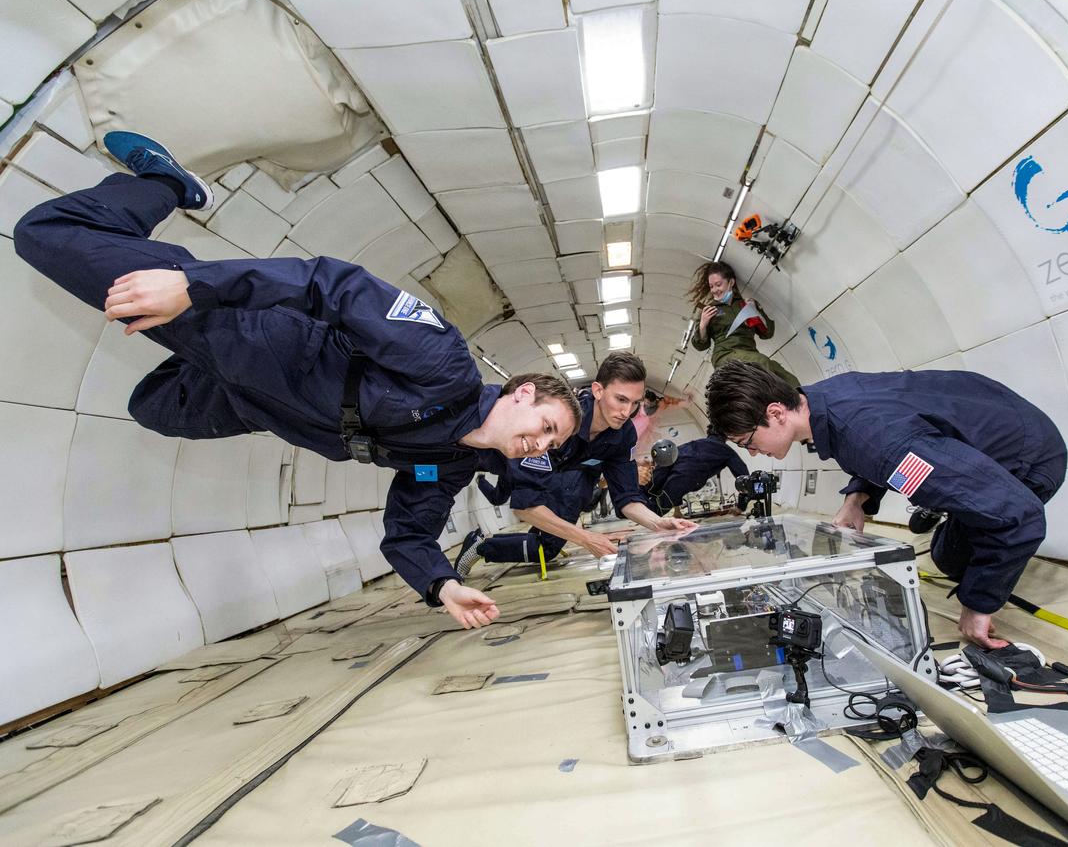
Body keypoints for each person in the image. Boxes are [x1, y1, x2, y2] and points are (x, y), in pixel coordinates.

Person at [13, 131, 582, 630]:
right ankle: (166, 185)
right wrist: (193, 285)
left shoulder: (446, 464)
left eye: (551, 444)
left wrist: (443, 586)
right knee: (44, 232)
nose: (541, 443)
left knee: (154, 407)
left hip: (253, 402)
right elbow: (332, 284)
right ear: (523, 392)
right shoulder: (442, 363)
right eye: (546, 426)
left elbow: (408, 533)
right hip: (248, 334)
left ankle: (155, 265)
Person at [705, 361, 1067, 650]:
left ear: (776, 412)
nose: (753, 452)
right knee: (946, 555)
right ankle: (952, 496)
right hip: (988, 412)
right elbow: (878, 433)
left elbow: (1021, 517)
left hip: (1027, 457)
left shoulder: (878, 443)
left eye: (748, 441)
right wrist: (857, 498)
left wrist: (978, 607)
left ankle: (954, 499)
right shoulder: (822, 400)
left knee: (969, 556)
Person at [454, 353, 697, 574]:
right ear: (598, 390)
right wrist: (585, 538)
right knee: (430, 476)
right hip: (471, 454)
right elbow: (525, 507)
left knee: (548, 547)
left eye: (635, 403)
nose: (627, 411)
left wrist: (659, 523)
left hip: (554, 476)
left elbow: (628, 498)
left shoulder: (623, 436)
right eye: (621, 399)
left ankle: (481, 546)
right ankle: (478, 544)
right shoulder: (561, 421)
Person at [688, 261, 799, 388]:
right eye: (711, 286)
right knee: (762, 362)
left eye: (718, 285)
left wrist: (756, 310)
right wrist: (703, 325)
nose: (714, 290)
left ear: (731, 283)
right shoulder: (708, 310)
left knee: (787, 377)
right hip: (725, 355)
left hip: (749, 352)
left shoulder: (745, 305)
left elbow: (767, 333)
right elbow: (700, 346)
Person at [641, 429, 749, 516]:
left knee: (650, 491)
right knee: (657, 510)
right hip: (687, 474)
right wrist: (741, 507)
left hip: (669, 468)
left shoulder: (693, 444)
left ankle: (631, 504)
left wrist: (648, 489)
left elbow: (664, 468)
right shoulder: (727, 451)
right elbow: (745, 480)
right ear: (728, 436)